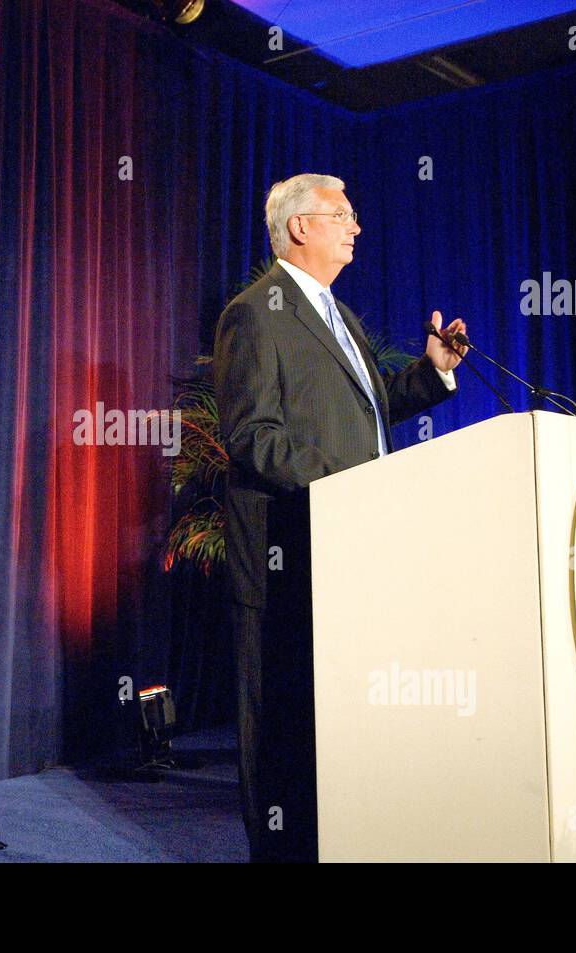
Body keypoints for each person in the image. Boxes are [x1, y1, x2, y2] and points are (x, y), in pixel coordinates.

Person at [213, 173, 467, 862]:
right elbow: (251, 435)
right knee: (282, 731)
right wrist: (347, 485)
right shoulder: (254, 314)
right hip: (286, 559)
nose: (356, 226)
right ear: (300, 226)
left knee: (336, 728)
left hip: (348, 553)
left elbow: (370, 412)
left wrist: (432, 372)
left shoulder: (339, 314)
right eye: (343, 214)